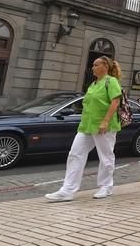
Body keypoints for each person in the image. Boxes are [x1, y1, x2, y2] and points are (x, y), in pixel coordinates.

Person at [45, 56, 123, 201]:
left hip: (104, 126)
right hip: (87, 125)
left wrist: (105, 121)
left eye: (95, 65)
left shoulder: (111, 81)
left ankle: (106, 186)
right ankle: (67, 190)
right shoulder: (93, 84)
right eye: (93, 65)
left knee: (105, 156)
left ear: (105, 66)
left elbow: (115, 101)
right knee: (75, 154)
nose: (92, 68)